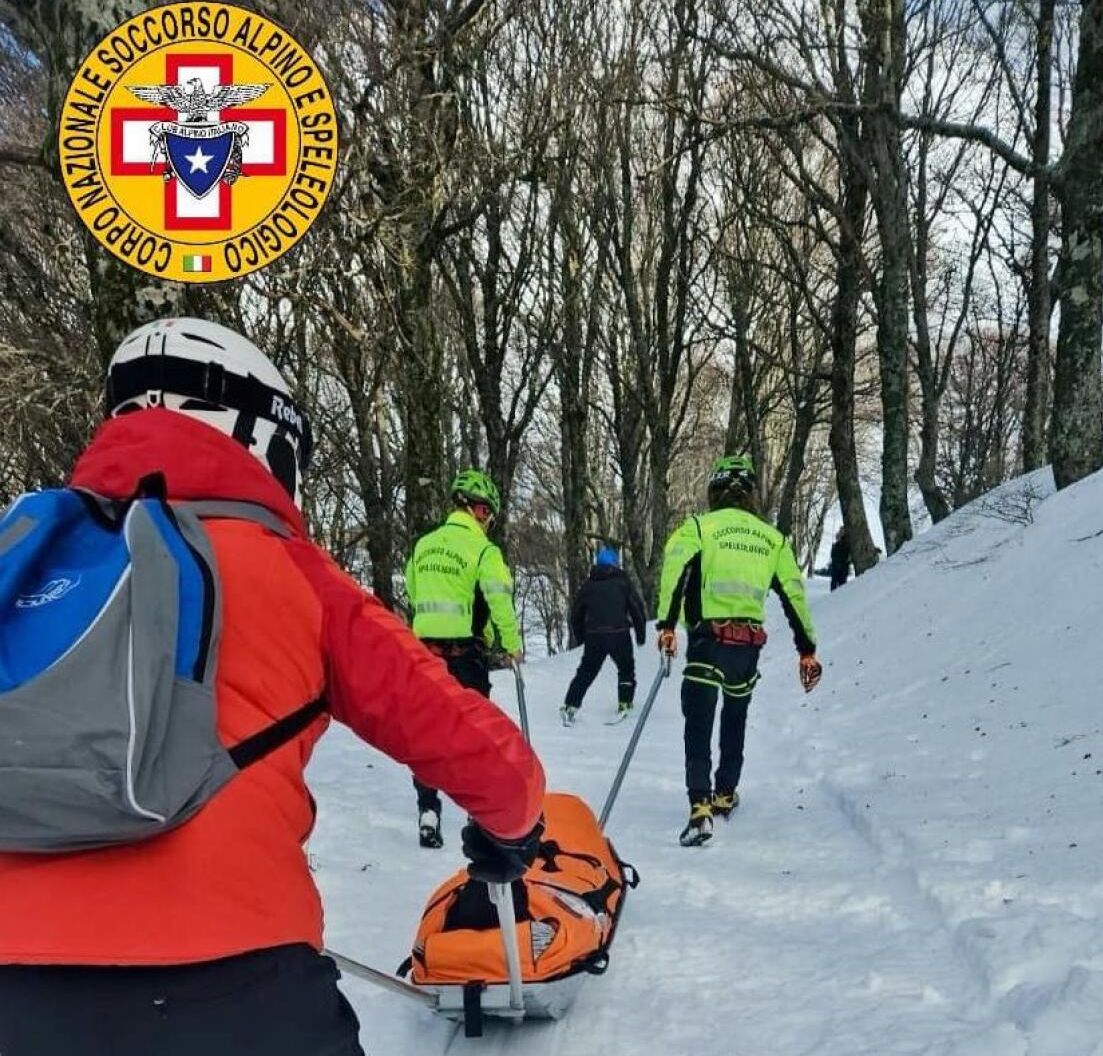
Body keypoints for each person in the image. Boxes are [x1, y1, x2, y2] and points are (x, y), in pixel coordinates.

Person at [0, 318, 545, 1056]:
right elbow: (482, 753)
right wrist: (507, 829)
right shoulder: (289, 569)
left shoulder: (23, 559)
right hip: (237, 985)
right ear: (255, 436)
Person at [656, 455, 822, 847]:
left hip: (705, 640)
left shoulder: (698, 527)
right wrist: (807, 650)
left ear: (715, 492)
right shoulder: (773, 539)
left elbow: (674, 570)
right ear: (751, 494)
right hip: (746, 648)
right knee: (735, 718)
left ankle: (699, 807)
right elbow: (794, 595)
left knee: (698, 723)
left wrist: (666, 625)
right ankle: (725, 794)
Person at [405, 468, 524, 848]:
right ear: (479, 511)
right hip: (464, 655)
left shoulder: (424, 546)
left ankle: (427, 809)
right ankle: (479, 812)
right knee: (475, 732)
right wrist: (510, 643)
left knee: (425, 734)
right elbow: (498, 599)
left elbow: (412, 591)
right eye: (487, 513)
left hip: (424, 654)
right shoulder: (483, 550)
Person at [560, 546, 647, 725]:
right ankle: (624, 703)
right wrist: (640, 634)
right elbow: (636, 609)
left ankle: (571, 705)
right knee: (626, 669)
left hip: (594, 636)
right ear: (616, 563)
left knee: (586, 671)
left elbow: (576, 613)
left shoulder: (589, 585)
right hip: (619, 634)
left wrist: (581, 636)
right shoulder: (623, 583)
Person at [829, 526, 852, 590]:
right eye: (840, 531)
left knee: (842, 584)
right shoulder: (835, 545)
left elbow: (848, 557)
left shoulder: (847, 543)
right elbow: (832, 555)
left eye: (842, 531)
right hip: (836, 566)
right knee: (834, 583)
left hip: (843, 567)